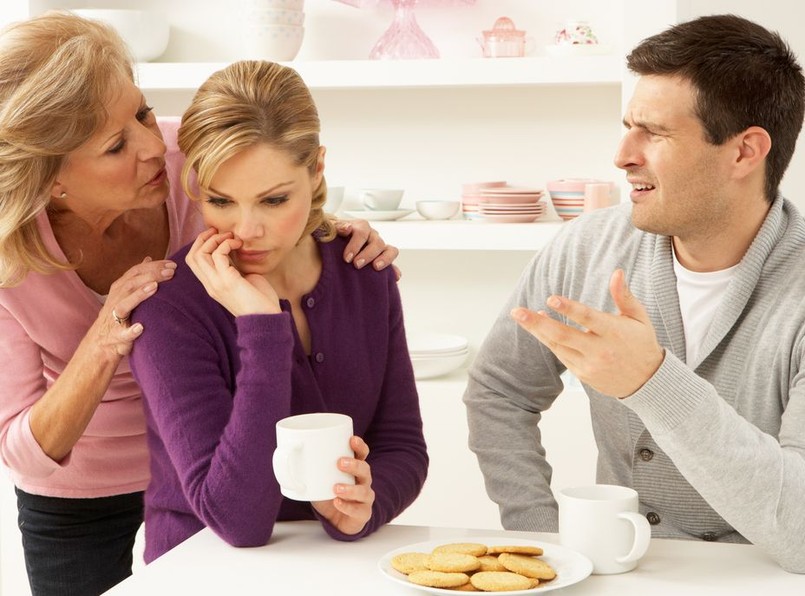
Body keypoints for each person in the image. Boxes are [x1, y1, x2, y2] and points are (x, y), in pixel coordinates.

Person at [0, 12, 399, 595]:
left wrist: (333, 233)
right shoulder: (11, 255)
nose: (153, 144)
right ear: (51, 178)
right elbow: (25, 453)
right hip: (82, 490)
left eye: (140, 111)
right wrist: (107, 333)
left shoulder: (184, 160)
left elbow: (267, 200)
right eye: (116, 145)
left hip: (211, 465)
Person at [464, 14, 805, 574]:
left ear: (745, 152)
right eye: (628, 126)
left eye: (656, 133)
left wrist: (652, 382)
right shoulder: (584, 248)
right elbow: (501, 390)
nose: (623, 155)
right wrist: (541, 534)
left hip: (765, 573)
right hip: (617, 568)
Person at [127, 59, 428, 562]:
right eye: (221, 200)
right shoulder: (169, 307)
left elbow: (401, 446)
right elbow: (236, 520)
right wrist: (262, 330)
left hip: (335, 568)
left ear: (316, 170)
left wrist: (363, 503)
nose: (246, 230)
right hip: (203, 571)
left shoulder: (363, 270)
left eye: (273, 200)